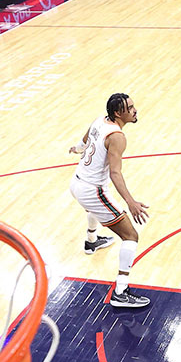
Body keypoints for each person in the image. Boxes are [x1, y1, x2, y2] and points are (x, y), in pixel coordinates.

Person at [68, 94, 152, 309]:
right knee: (131, 235)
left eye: (134, 106)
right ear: (118, 113)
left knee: (94, 209)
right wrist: (131, 202)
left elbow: (85, 141)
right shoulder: (117, 137)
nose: (135, 110)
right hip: (93, 190)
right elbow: (115, 173)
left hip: (77, 182)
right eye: (130, 108)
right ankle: (121, 292)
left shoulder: (100, 120)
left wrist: (77, 149)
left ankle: (91, 240)